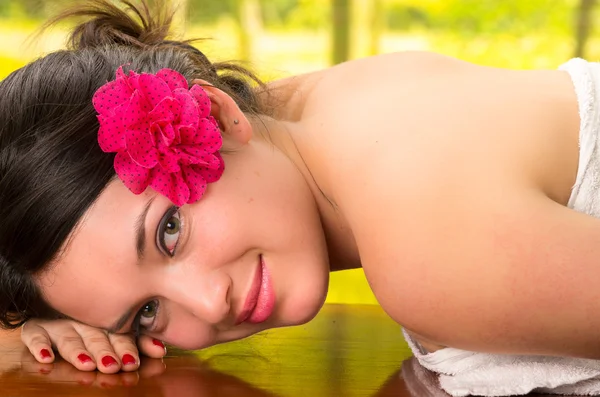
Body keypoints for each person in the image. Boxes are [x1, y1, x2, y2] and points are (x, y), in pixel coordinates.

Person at [1, 0, 594, 375]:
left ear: (211, 116)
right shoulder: (303, 114)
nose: (209, 306)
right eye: (146, 314)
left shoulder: (427, 256)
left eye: (170, 230)